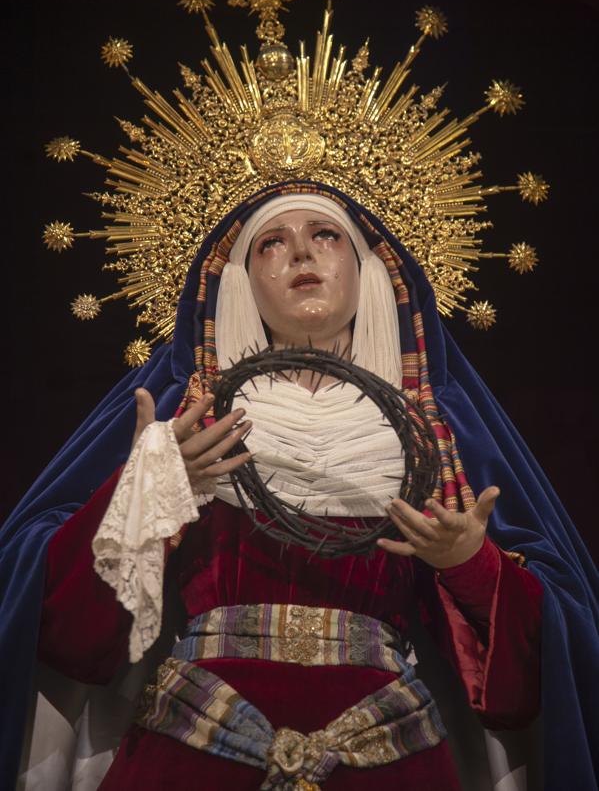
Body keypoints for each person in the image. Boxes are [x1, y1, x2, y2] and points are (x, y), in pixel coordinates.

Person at [3, 182, 597, 790]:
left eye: (325, 235)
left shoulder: (435, 433)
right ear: (240, 281)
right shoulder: (183, 419)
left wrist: (468, 562)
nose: (302, 255)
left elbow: (546, 659)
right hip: (197, 739)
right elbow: (61, 626)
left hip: (386, 747)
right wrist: (147, 488)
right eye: (271, 244)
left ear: (365, 269)